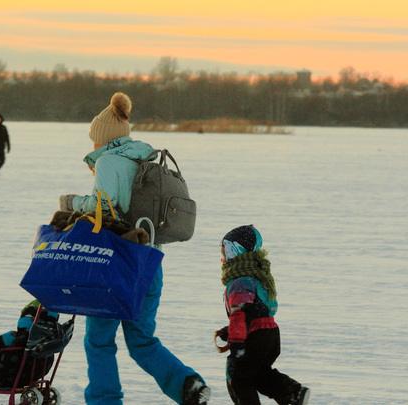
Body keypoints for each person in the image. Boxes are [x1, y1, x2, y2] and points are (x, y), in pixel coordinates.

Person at [58, 92, 210, 405]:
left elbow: (103, 207)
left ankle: (105, 401)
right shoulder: (146, 160)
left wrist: (72, 203)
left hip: (117, 265)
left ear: (103, 139)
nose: (93, 146)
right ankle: (188, 386)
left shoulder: (108, 163)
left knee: (99, 341)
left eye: (94, 140)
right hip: (150, 263)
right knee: (142, 339)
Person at [215, 225, 310, 405]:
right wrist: (230, 331)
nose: (222, 259)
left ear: (235, 251)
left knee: (238, 378)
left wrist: (236, 343)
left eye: (224, 252)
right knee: (257, 374)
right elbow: (252, 313)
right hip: (271, 335)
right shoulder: (258, 274)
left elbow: (241, 314)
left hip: (255, 338)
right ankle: (292, 393)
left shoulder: (239, 279)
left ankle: (291, 393)